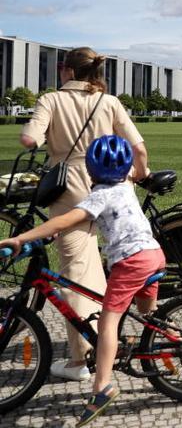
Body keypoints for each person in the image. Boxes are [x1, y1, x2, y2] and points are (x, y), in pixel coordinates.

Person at [0, 135, 165, 426]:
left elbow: (67, 219)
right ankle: (168, 347)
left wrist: (22, 237)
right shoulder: (126, 185)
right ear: (126, 169)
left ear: (89, 170)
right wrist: (51, 235)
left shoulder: (99, 195)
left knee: (107, 323)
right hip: (152, 253)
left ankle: (102, 387)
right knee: (147, 315)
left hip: (130, 261)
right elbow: (82, 221)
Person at [20, 47, 150, 381]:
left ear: (66, 70)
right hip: (110, 187)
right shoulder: (109, 101)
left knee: (76, 271)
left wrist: (37, 138)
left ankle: (81, 359)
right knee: (121, 257)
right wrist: (140, 172)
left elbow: (29, 138)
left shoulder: (51, 100)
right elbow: (138, 147)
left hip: (69, 191)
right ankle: (133, 328)